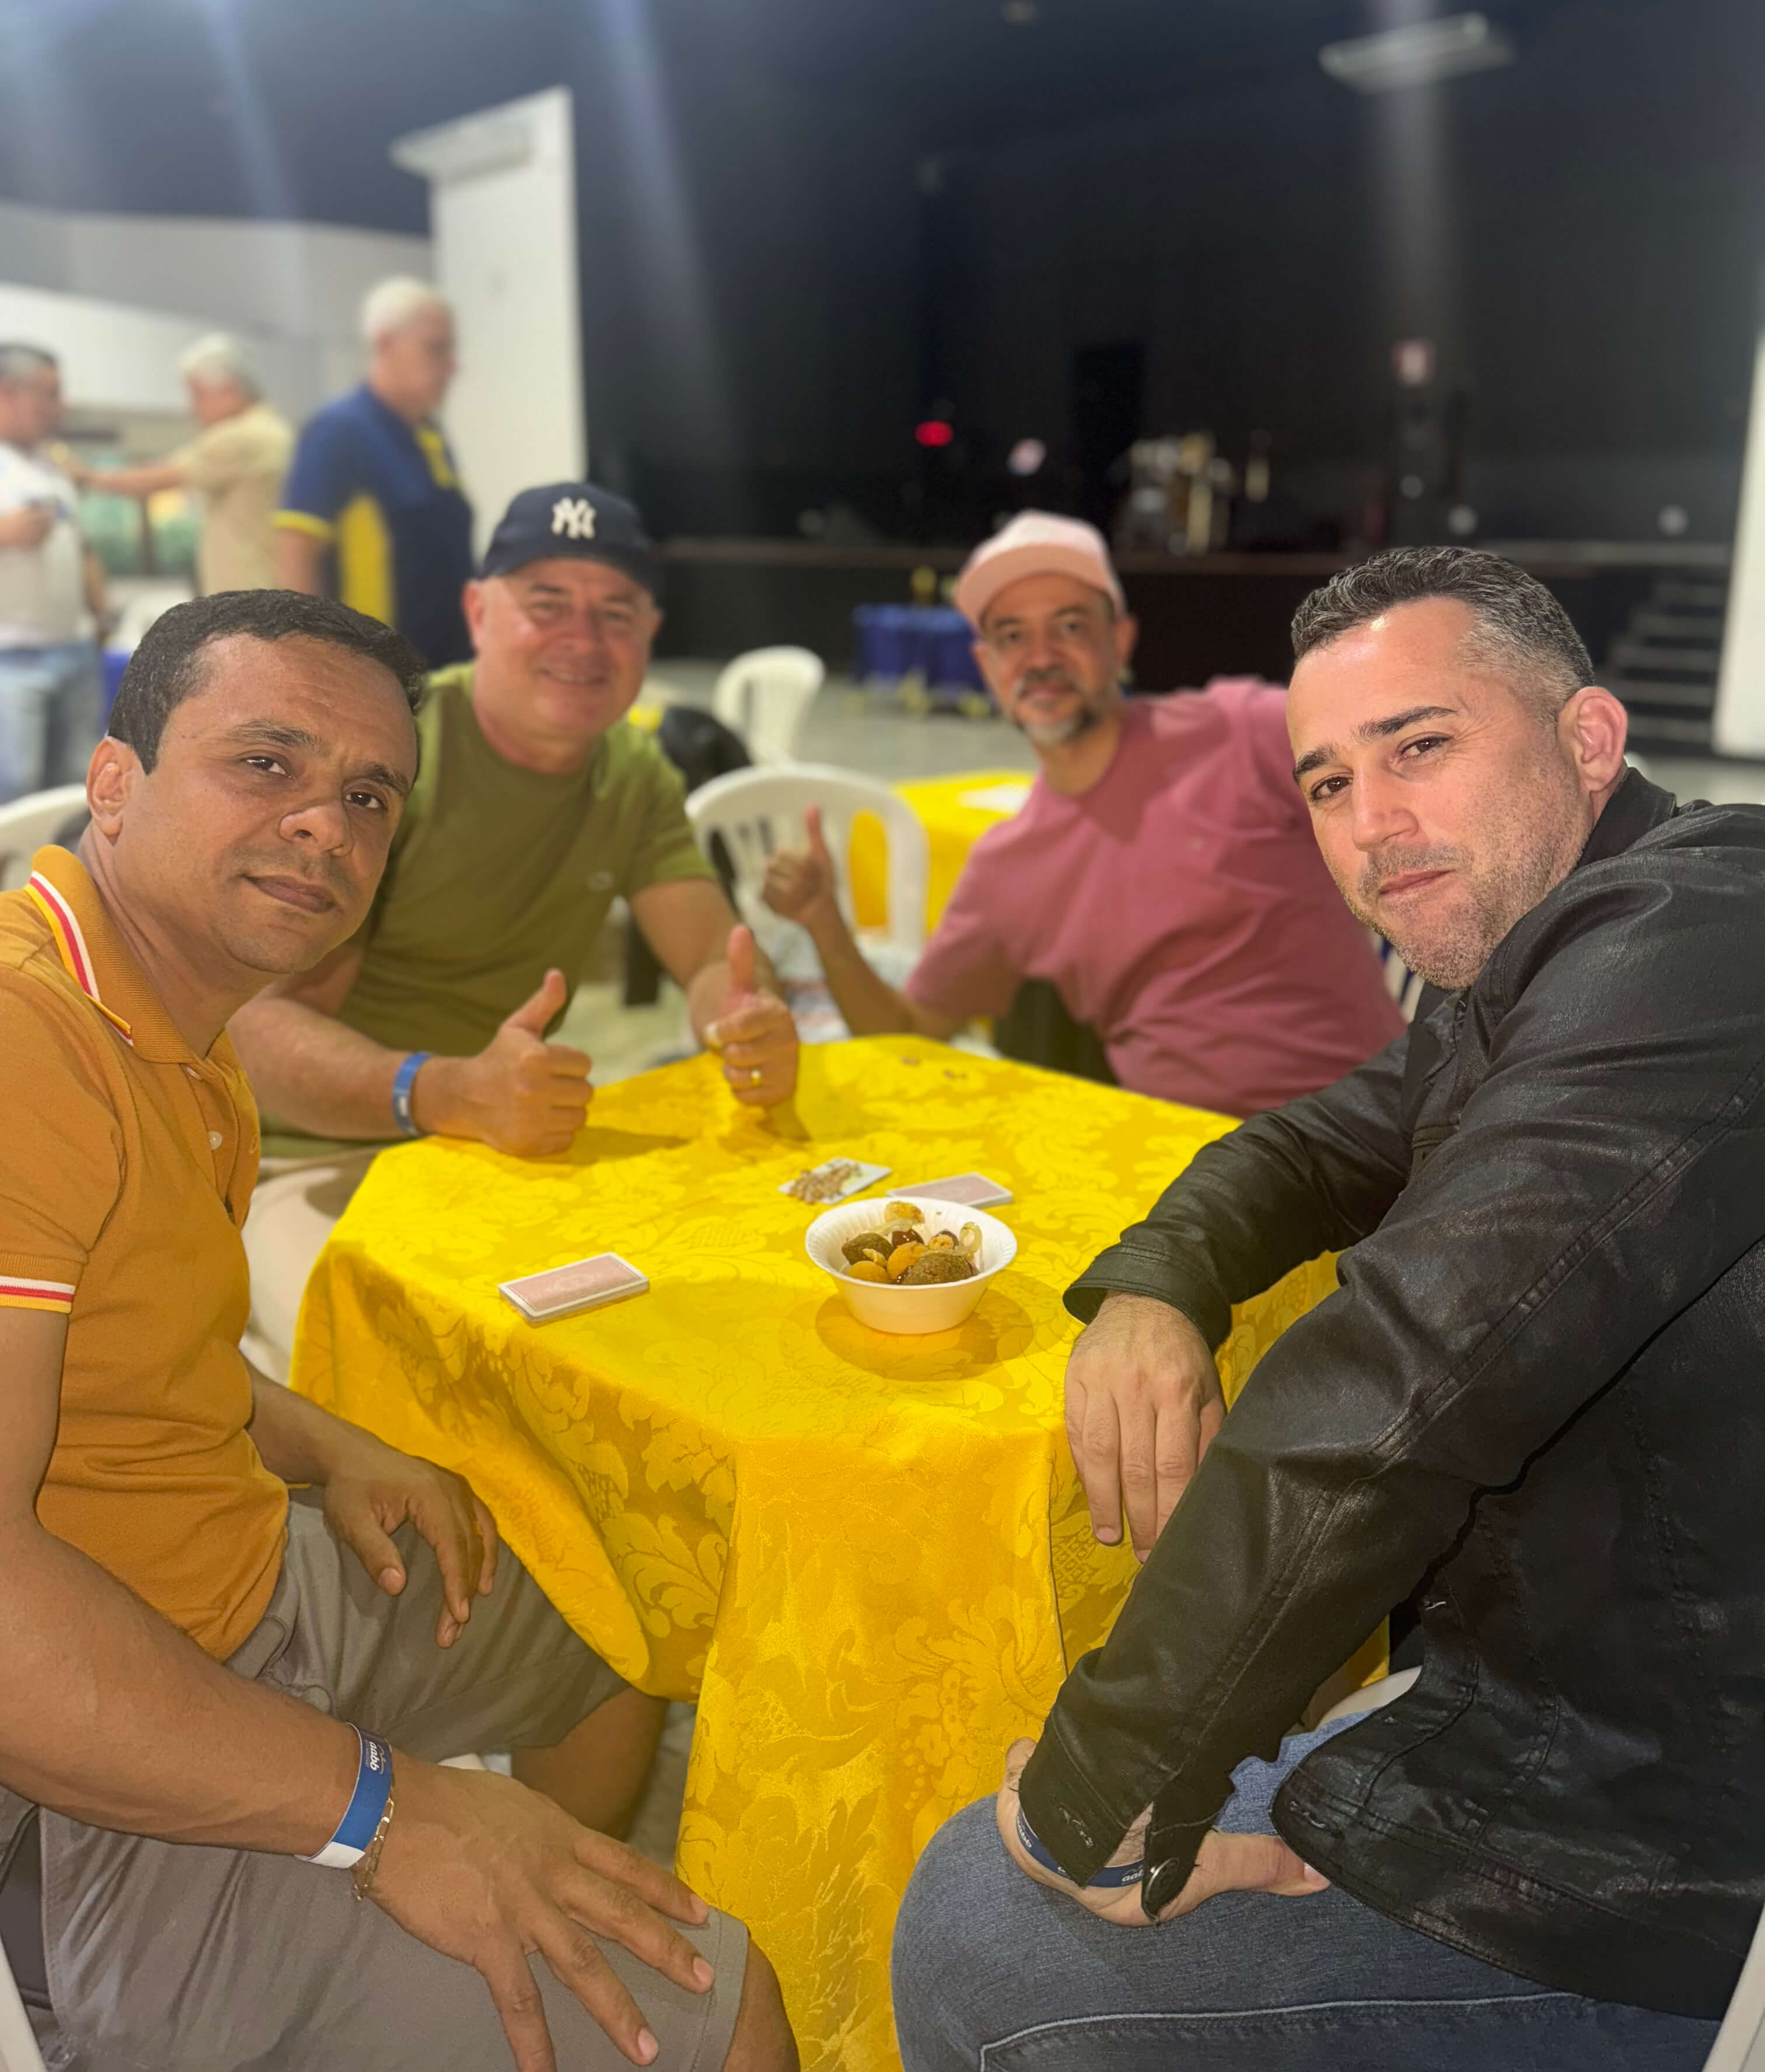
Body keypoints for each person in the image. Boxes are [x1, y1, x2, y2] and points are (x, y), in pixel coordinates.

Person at [892, 547, 1763, 2070]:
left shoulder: (1702, 939)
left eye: (1419, 747)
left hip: (1677, 1846)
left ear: (1589, 739)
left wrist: (1105, 1785)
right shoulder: (1547, 952)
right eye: (1329, 784)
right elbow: (1313, 1143)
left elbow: (1398, 1379)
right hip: (1565, 1701)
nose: (1373, 826)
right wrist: (1159, 1280)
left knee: (978, 1926)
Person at [0, 588, 794, 2072]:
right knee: (731, 2010)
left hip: (237, 1565)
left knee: (613, 1620)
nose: (327, 825)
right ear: (114, 780)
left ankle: (503, 1936)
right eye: (267, 763)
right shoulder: (26, 1038)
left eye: (369, 796)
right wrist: (393, 1806)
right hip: (113, 1709)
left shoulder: (178, 1009)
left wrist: (329, 1443)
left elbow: (135, 1351)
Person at [231, 481, 800, 1381]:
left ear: (650, 635)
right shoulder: (389, 758)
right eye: (548, 603)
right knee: (412, 1380)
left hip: (502, 1153)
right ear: (478, 612)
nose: (584, 638)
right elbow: (258, 1029)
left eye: (616, 612)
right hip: (307, 1163)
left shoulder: (633, 772)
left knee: (689, 1334)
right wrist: (445, 1091)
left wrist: (743, 1015)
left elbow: (709, 957)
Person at [762, 510, 1400, 1117]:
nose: (1041, 658)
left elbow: (1393, 761)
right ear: (987, 667)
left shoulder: (1240, 734)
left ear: (1119, 641)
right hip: (1184, 1150)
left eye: (1069, 627)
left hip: (1373, 1125)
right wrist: (824, 923)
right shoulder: (1008, 868)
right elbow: (909, 1033)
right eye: (1012, 636)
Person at [275, 276, 475, 666]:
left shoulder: (430, 435)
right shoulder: (339, 431)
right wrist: (316, 666)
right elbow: (297, 554)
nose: (452, 366)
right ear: (385, 344)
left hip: (447, 670)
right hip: (381, 676)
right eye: (436, 348)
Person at [76, 330, 293, 594]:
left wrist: (85, 476)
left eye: (198, 395)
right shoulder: (274, 429)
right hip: (265, 594)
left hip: (252, 599)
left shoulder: (242, 436)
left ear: (229, 391)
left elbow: (151, 479)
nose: (193, 409)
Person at [0, 342, 109, 804]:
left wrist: (101, 614)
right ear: (7, 392)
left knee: (78, 789)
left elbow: (82, 547)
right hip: (12, 659)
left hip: (75, 650)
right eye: (49, 393)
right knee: (16, 791)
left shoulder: (54, 466)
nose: (60, 406)